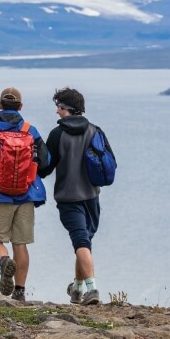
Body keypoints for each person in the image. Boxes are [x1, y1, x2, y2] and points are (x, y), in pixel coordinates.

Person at [0, 87, 49, 302]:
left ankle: (4, 261)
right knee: (20, 243)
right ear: (21, 107)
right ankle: (20, 291)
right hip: (26, 195)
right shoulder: (30, 130)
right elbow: (45, 162)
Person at [39, 87, 108, 305]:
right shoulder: (96, 131)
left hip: (69, 199)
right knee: (84, 243)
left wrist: (38, 153)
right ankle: (77, 290)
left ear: (65, 108)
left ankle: (92, 290)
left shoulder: (57, 134)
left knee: (81, 242)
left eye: (58, 107)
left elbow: (45, 169)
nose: (56, 112)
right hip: (92, 197)